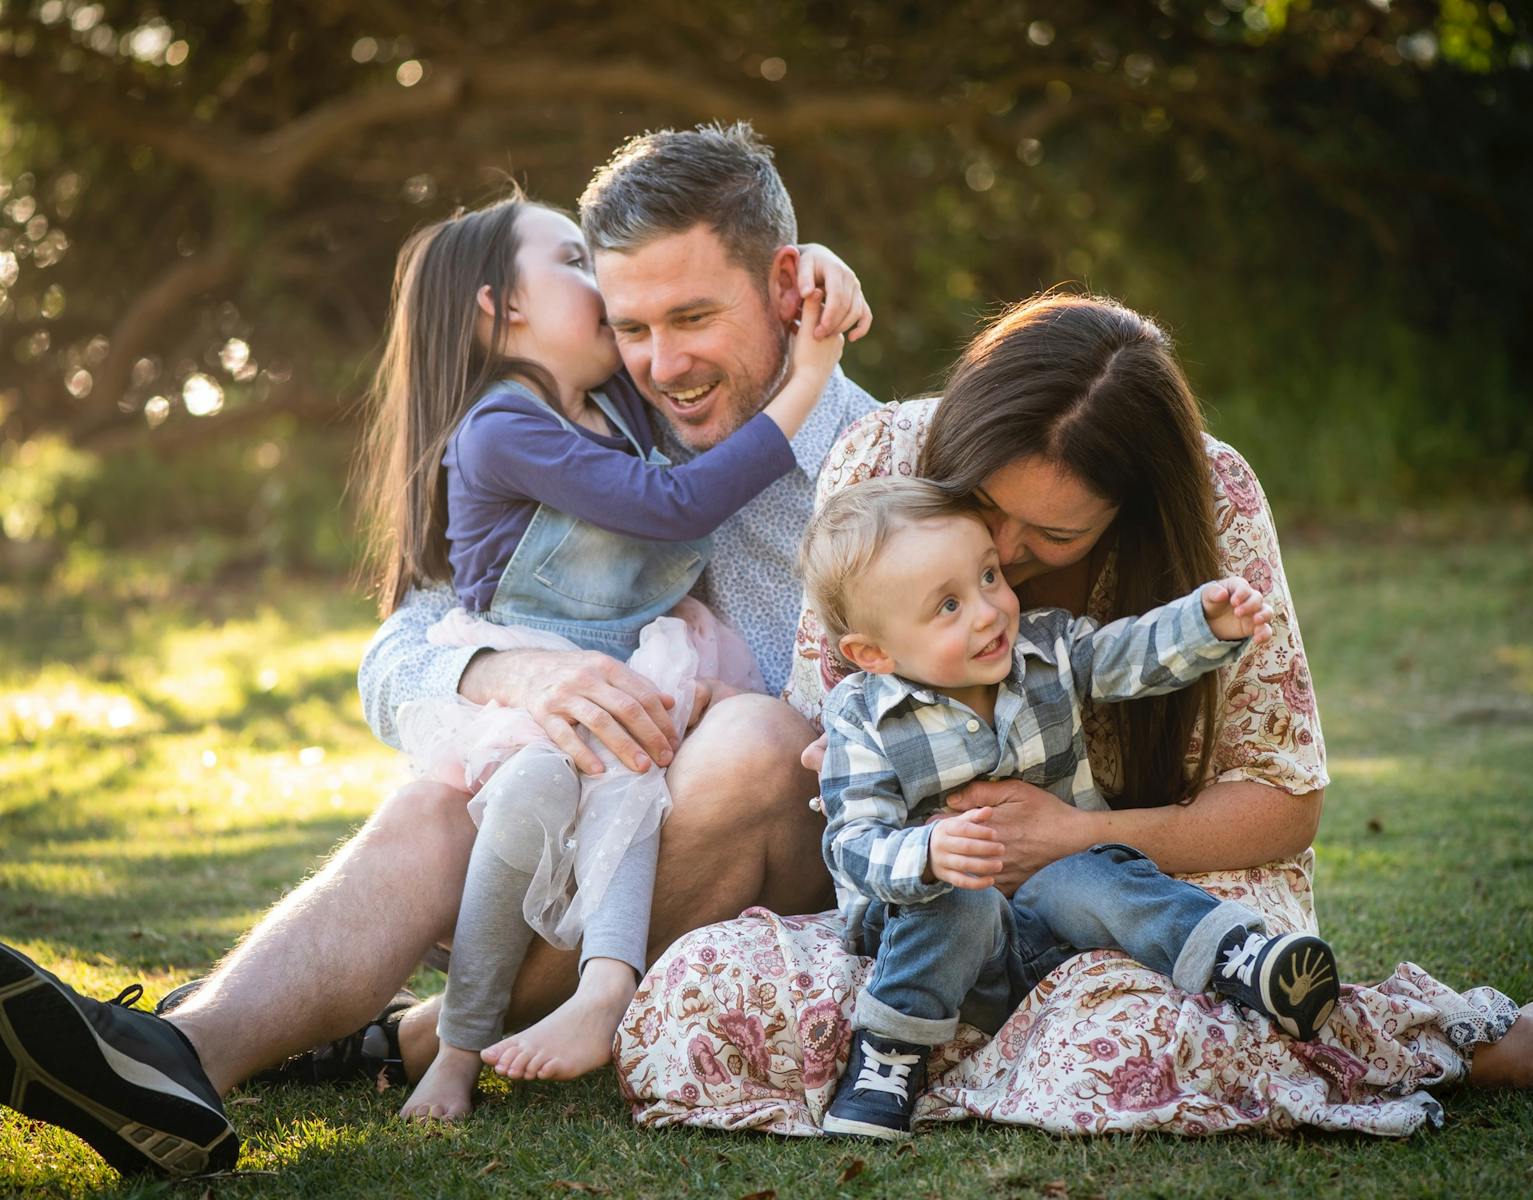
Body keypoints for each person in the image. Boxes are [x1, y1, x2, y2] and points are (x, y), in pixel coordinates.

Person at [0, 122, 877, 1176]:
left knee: (746, 740)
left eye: (693, 319)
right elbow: (399, 651)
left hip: (808, 842)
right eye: (629, 320)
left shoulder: (875, 469)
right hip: (597, 823)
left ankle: (411, 1033)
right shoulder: (606, 423)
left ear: (789, 289)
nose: (662, 360)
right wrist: (513, 669)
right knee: (434, 801)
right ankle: (179, 1060)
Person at [616, 290, 1533, 1134]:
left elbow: (1275, 800)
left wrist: (1077, 831)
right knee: (705, 989)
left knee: (1129, 1030)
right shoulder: (885, 462)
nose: (999, 564)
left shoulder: (1206, 510)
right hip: (939, 913)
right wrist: (929, 854)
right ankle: (923, 1063)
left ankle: (1471, 1035)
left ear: (1130, 512)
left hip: (1158, 885)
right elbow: (841, 778)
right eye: (981, 509)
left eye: (1047, 535)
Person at [350, 188, 846, 1120]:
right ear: (502, 308)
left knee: (637, 793)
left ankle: (601, 992)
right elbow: (673, 508)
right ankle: (450, 1046)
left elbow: (711, 307)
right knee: (530, 807)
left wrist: (807, 265)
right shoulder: (504, 426)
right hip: (542, 668)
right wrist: (809, 377)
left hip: (630, 663)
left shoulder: (612, 401)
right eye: (574, 262)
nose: (603, 283)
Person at [797, 478, 1340, 1139]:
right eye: (947, 605)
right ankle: (890, 1055)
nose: (988, 611)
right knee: (956, 897)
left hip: (1053, 927)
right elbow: (850, 842)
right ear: (873, 652)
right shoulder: (861, 717)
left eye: (989, 577)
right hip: (940, 943)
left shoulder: (1044, 650)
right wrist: (927, 854)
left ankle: (1242, 959)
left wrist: (1203, 624)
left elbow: (1124, 654)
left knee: (1096, 874)